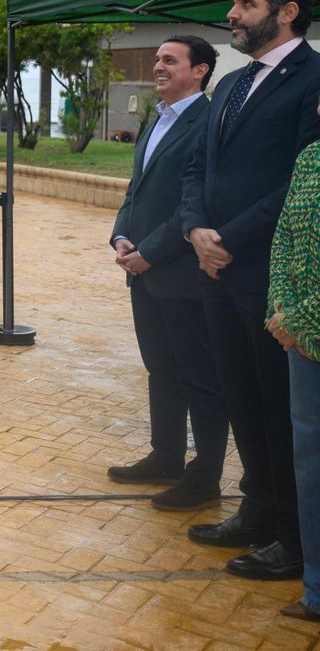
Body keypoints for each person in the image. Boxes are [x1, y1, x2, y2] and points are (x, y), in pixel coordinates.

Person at [180, 0, 320, 581]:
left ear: (286, 12)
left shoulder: (313, 81)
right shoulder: (233, 84)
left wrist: (228, 238)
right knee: (241, 400)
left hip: (271, 277)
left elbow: (302, 182)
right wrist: (195, 229)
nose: (231, 13)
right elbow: (197, 169)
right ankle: (256, 511)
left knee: (278, 410)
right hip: (216, 272)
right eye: (232, 1)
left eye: (243, 3)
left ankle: (293, 538)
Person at [107, 35, 229, 511]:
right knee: (161, 369)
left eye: (169, 60)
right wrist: (120, 235)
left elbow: (195, 202)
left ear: (199, 71)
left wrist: (151, 252)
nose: (158, 66)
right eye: (158, 59)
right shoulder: (156, 117)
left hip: (181, 273)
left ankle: (206, 476)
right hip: (142, 270)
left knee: (200, 376)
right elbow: (136, 190)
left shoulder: (208, 121)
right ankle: (166, 455)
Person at [267, 94, 320, 623]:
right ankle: (316, 590)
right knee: (310, 463)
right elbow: (283, 241)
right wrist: (282, 310)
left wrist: (304, 317)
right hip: (301, 344)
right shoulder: (310, 159)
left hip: (307, 329)